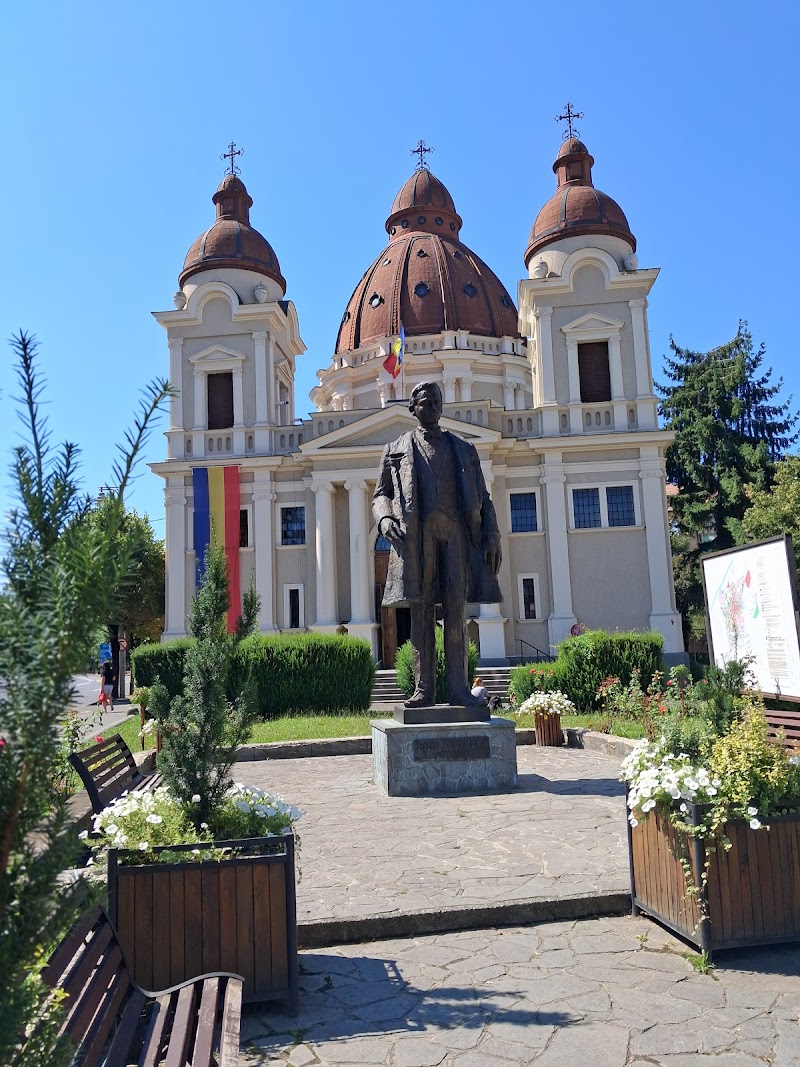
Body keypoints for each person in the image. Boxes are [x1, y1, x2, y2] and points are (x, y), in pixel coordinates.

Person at [373, 381, 502, 708]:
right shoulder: (396, 449)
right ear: (413, 408)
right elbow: (381, 495)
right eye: (424, 403)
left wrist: (492, 534)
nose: (431, 408)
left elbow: (484, 499)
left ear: (441, 407)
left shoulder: (464, 449)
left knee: (456, 611)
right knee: (421, 611)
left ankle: (458, 689)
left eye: (435, 403)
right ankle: (424, 688)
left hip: (456, 535)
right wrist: (385, 519)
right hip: (418, 537)